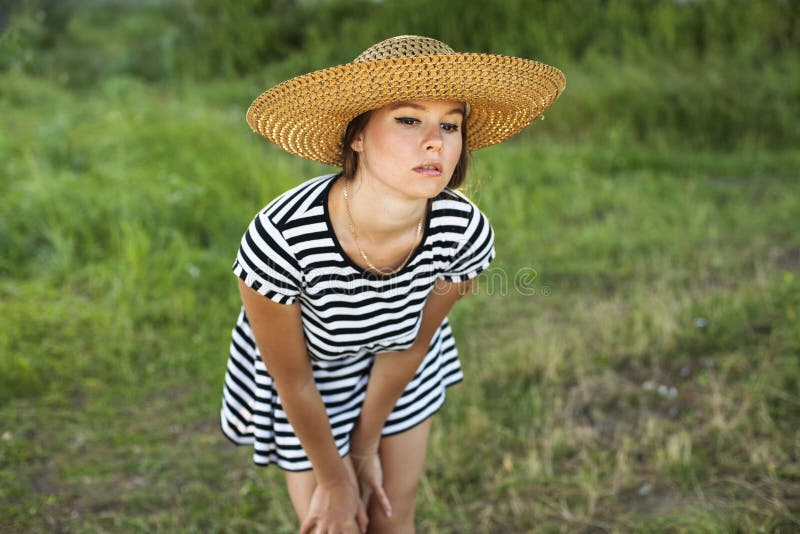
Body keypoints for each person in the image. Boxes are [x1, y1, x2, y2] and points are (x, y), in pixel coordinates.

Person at [220, 35, 565, 533]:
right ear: (355, 135)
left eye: (450, 124)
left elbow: (413, 344)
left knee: (390, 516)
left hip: (401, 364)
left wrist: (365, 447)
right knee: (337, 522)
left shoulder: (464, 232)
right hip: (309, 377)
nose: (436, 141)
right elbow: (291, 379)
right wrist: (337, 479)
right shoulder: (279, 239)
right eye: (409, 119)